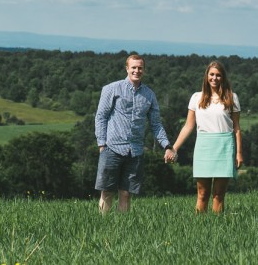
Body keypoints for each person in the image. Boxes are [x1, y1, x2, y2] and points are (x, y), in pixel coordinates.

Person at [94, 53, 177, 213]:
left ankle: (122, 227)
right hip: (112, 148)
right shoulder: (112, 89)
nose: (136, 71)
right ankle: (102, 225)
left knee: (126, 193)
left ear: (144, 70)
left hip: (135, 151)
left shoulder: (149, 94)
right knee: (107, 191)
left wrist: (167, 145)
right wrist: (102, 144)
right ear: (127, 68)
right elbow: (101, 117)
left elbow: (156, 124)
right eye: (133, 67)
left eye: (140, 68)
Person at [169, 60, 242, 214]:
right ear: (206, 76)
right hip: (204, 146)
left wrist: (239, 153)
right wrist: (174, 148)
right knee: (202, 194)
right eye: (211, 74)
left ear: (223, 77)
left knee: (218, 195)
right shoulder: (196, 97)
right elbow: (189, 126)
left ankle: (216, 227)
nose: (214, 78)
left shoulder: (231, 97)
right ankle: (199, 228)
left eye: (218, 75)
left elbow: (236, 127)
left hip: (224, 145)